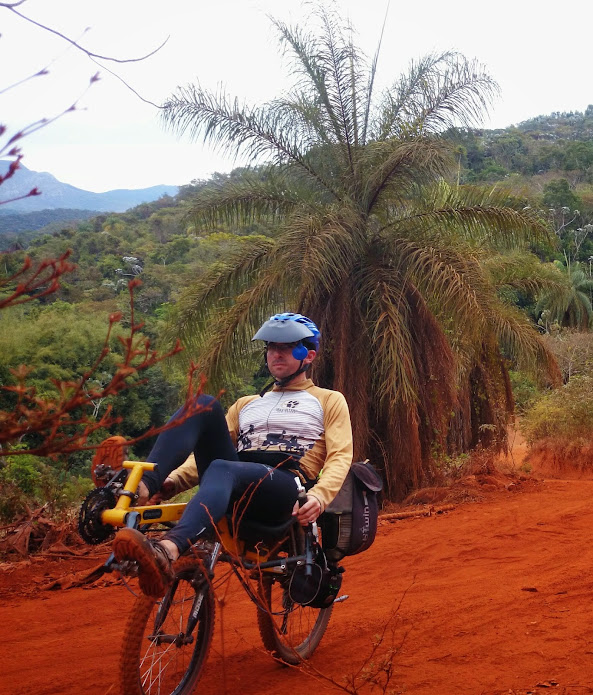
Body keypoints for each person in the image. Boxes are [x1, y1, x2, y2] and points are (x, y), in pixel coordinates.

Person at [112, 313, 353, 597]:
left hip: (286, 487)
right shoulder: (246, 404)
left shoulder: (328, 399)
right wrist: (173, 483)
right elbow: (206, 453)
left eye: (287, 347)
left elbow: (340, 456)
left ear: (308, 355)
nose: (276, 354)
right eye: (272, 347)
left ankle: (168, 549)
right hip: (232, 479)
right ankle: (143, 485)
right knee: (203, 404)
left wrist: (320, 496)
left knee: (224, 469)